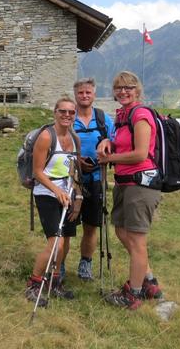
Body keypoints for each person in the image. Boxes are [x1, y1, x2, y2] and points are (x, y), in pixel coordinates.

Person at [96, 71, 163, 310]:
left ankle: (133, 294)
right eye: (118, 88)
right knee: (122, 232)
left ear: (137, 90)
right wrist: (107, 142)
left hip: (141, 184)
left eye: (128, 87)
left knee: (136, 241)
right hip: (126, 183)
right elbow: (122, 141)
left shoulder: (140, 114)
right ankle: (149, 281)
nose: (123, 91)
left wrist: (109, 158)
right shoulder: (122, 115)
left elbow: (141, 153)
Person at [25, 96, 83, 307]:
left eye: (71, 112)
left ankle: (55, 282)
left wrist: (78, 196)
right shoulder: (46, 137)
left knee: (65, 241)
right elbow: (38, 172)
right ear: (55, 113)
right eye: (63, 111)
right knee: (55, 243)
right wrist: (56, 189)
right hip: (47, 193)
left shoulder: (75, 138)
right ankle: (34, 283)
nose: (67, 115)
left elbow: (74, 170)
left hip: (68, 193)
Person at [72, 78, 115, 281]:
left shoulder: (103, 119)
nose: (84, 95)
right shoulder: (68, 117)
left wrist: (107, 149)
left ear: (94, 94)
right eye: (81, 92)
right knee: (67, 226)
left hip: (97, 178)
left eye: (88, 92)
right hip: (71, 179)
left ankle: (85, 264)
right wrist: (76, 160)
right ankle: (58, 265)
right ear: (75, 95)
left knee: (91, 226)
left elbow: (115, 142)